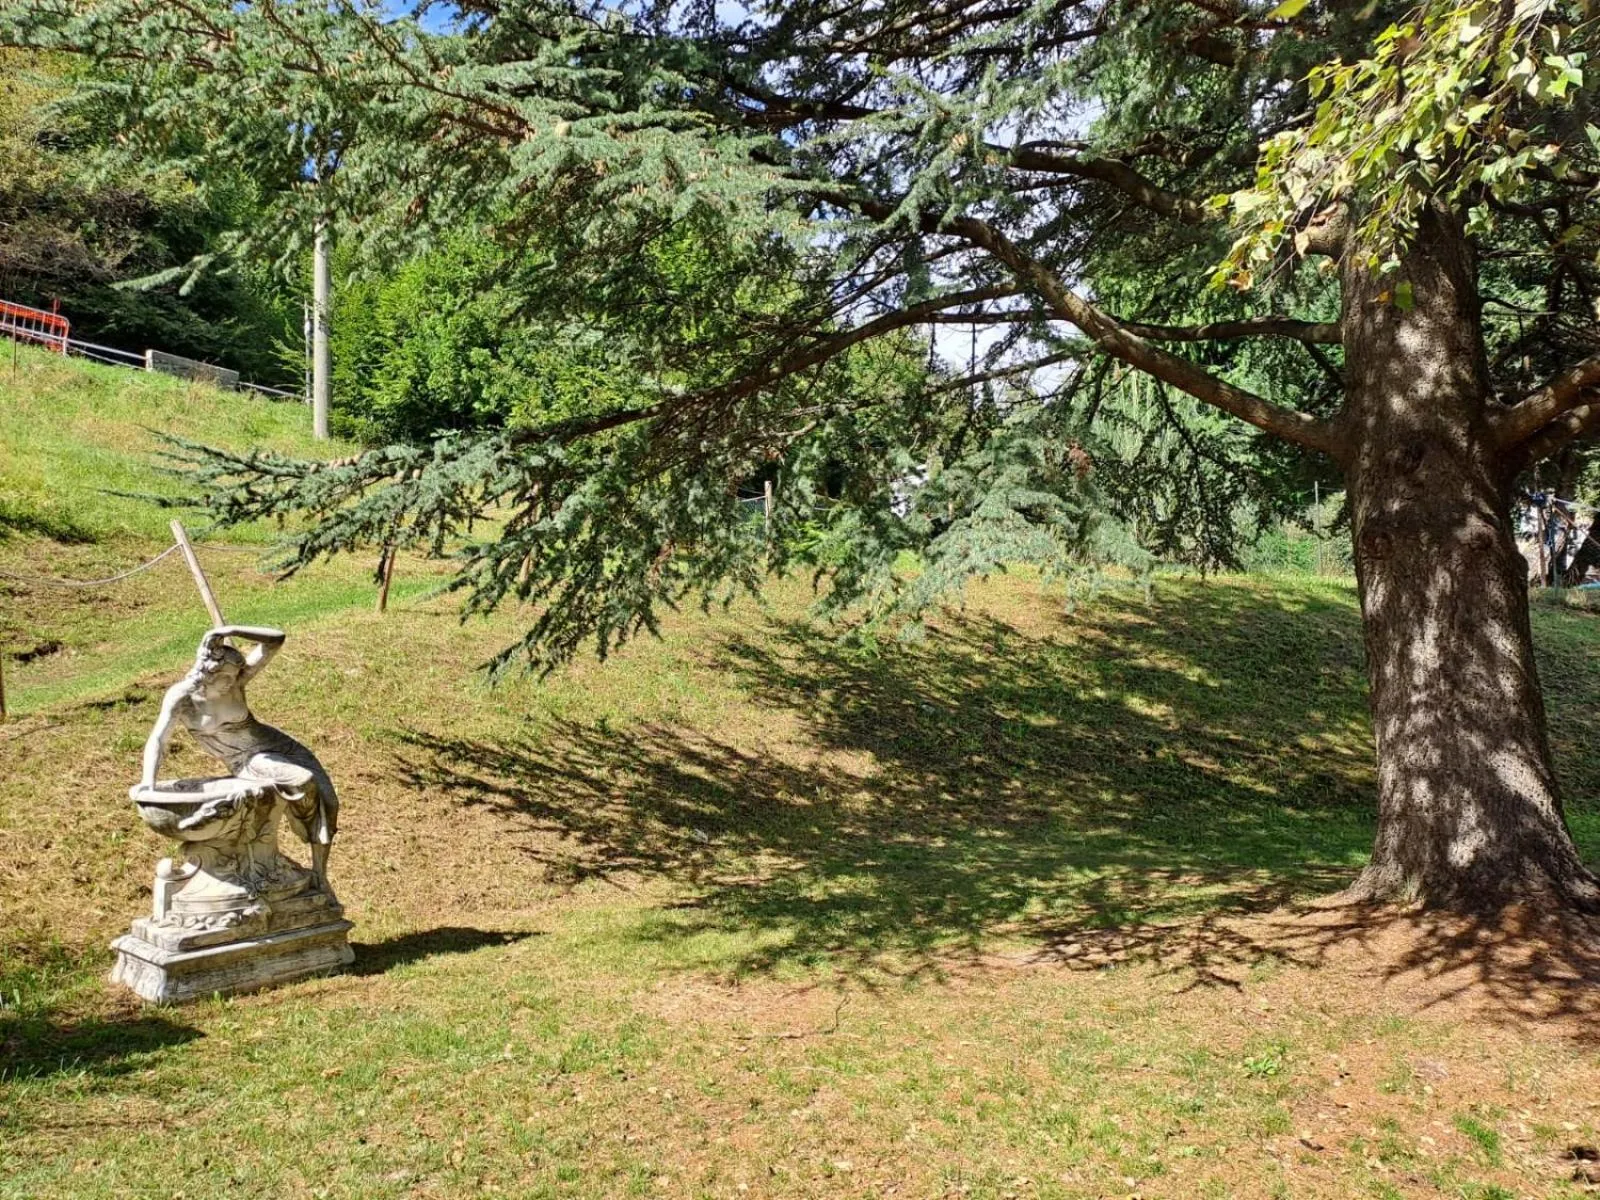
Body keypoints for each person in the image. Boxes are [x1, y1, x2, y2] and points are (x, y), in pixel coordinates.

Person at [136, 626, 339, 889]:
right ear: (209, 674)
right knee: (304, 780)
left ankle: (320, 877)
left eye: (235, 677)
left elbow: (275, 641)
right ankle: (282, 868)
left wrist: (230, 630)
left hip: (281, 747)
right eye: (227, 678)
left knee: (329, 801)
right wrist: (148, 781)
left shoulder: (236, 682)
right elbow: (158, 739)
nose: (233, 682)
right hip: (248, 759)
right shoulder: (181, 698)